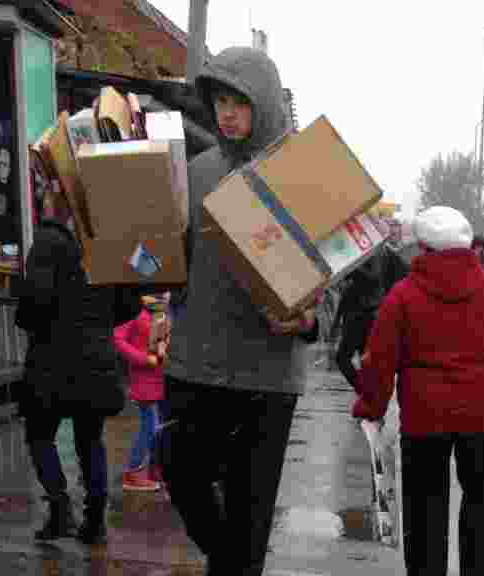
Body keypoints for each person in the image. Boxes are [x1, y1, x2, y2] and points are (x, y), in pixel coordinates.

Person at [160, 46, 320, 576]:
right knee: (178, 466)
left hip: (266, 376)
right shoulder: (197, 172)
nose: (226, 114)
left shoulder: (299, 176)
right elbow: (171, 257)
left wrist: (310, 318)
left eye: (239, 102)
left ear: (264, 103)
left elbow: (333, 272)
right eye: (219, 102)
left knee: (249, 517)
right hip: (195, 364)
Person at [353, 206, 484, 576]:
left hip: (425, 418)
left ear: (423, 248)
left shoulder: (403, 296)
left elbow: (379, 360)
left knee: (424, 506)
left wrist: (371, 407)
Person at [15, 189, 142, 544]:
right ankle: (95, 521)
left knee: (40, 435)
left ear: (56, 202)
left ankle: (60, 512)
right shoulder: (107, 243)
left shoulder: (47, 242)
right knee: (90, 440)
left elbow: (34, 303)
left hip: (51, 361)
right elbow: (131, 304)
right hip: (97, 360)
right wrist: (98, 322)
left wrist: (26, 316)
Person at [334, 242, 410, 391]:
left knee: (348, 359)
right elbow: (350, 288)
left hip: (368, 314)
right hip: (359, 313)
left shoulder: (375, 250)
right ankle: (367, 393)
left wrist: (353, 266)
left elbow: (373, 277)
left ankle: (367, 393)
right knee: (354, 360)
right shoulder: (363, 251)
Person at [113, 293, 169, 492]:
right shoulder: (135, 310)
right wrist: (143, 358)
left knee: (161, 427)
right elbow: (117, 338)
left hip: (165, 378)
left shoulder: (165, 309)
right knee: (150, 427)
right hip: (144, 379)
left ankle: (155, 470)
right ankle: (133, 472)